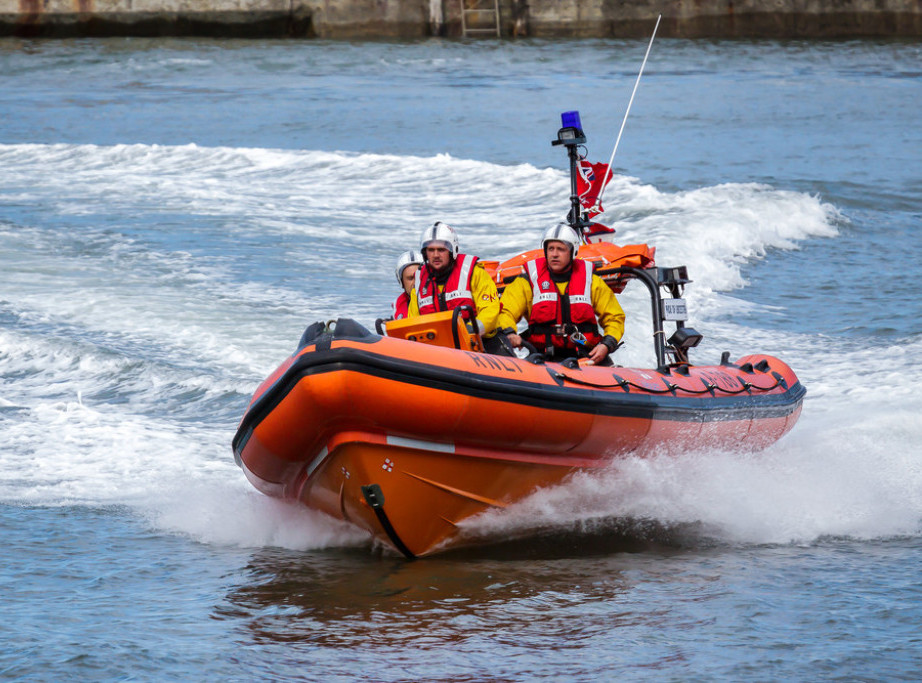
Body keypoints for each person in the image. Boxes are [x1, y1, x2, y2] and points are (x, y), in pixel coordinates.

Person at [497, 222, 624, 365]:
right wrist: (510, 333)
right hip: (542, 357)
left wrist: (606, 344)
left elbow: (615, 317)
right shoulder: (528, 281)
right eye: (550, 249)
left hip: (586, 353)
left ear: (573, 251)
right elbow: (505, 311)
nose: (555, 254)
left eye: (561, 249)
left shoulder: (591, 281)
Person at [408, 221, 502, 343]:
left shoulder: (473, 273)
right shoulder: (420, 282)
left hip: (481, 341)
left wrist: (470, 330)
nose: (436, 255)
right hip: (437, 345)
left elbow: (490, 311)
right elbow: (412, 321)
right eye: (431, 250)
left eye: (441, 250)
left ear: (452, 251)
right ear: (425, 254)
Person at [392, 249, 423, 320]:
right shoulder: (398, 305)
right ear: (401, 281)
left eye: (419, 277)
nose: (416, 283)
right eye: (410, 278)